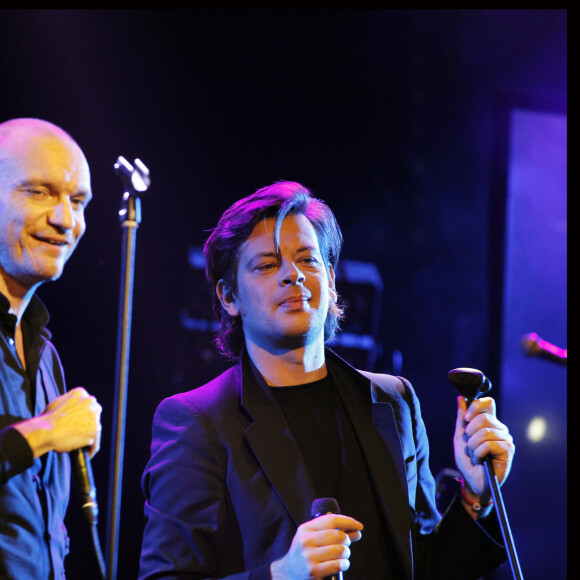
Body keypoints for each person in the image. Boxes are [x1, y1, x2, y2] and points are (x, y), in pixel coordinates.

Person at [139, 180, 514, 579]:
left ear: (331, 280)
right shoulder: (197, 421)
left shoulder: (393, 400)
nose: (293, 276)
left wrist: (475, 496)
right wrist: (282, 574)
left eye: (307, 260)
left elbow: (424, 566)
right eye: (267, 265)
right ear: (229, 297)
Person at [0, 118, 102, 579]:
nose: (65, 220)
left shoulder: (44, 354)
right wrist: (42, 433)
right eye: (39, 192)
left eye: (78, 201)